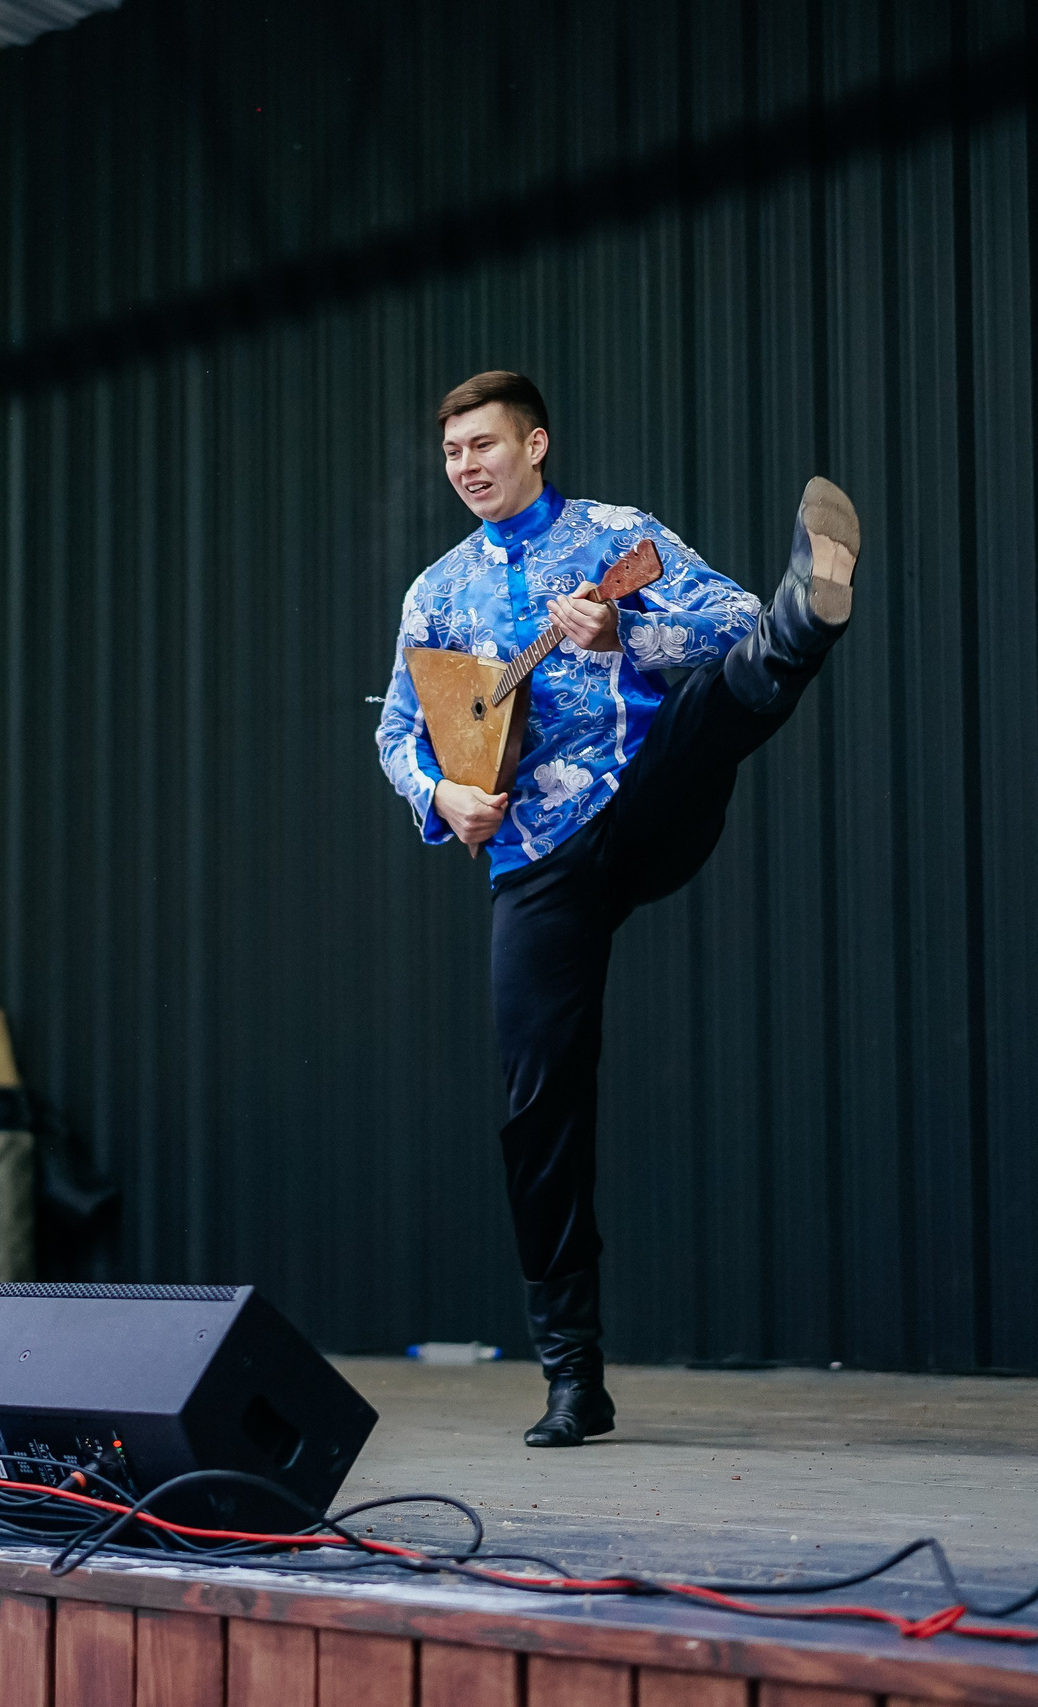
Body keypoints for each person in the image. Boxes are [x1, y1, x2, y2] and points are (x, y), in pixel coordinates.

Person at [375, 372, 861, 1447]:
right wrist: (441, 793)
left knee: (708, 706)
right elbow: (397, 731)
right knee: (534, 1107)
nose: (465, 465)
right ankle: (571, 1378)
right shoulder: (436, 592)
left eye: (484, 445)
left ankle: (806, 631)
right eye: (452, 450)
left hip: (638, 806)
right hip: (532, 861)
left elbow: (723, 616)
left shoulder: (614, 536)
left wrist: (622, 640)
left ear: (535, 443)